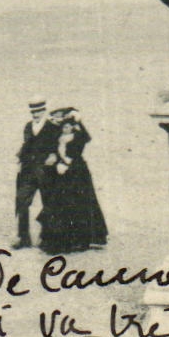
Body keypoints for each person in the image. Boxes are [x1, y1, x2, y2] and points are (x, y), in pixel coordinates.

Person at [37, 108, 108, 254]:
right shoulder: (58, 138)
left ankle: (80, 240)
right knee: (59, 204)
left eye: (69, 127)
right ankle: (57, 240)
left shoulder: (78, 138)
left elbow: (86, 139)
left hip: (77, 174)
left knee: (79, 203)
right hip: (61, 175)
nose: (66, 129)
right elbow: (49, 145)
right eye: (64, 127)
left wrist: (79, 121)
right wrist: (57, 163)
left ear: (73, 128)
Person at [13, 97, 59, 249]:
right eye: (33, 111)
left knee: (49, 204)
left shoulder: (53, 126)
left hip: (46, 172)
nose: (35, 114)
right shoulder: (28, 126)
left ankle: (48, 239)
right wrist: (20, 158)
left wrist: (54, 155)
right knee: (21, 201)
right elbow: (26, 145)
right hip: (28, 171)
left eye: (38, 111)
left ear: (44, 110)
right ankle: (23, 237)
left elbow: (60, 145)